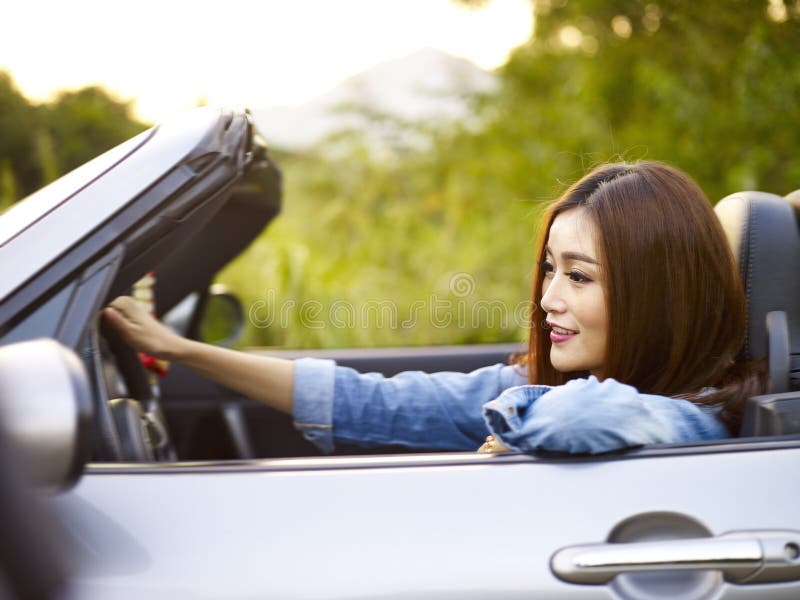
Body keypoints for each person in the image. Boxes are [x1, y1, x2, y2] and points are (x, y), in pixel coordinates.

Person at [104, 161, 766, 455]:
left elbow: (586, 419)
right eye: (548, 270)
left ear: (656, 296)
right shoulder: (540, 388)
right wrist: (179, 350)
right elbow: (369, 400)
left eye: (579, 278)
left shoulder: (698, 422)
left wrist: (502, 429)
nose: (547, 299)